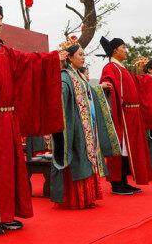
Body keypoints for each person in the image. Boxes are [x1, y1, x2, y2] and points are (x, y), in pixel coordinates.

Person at [0, 0, 64, 234]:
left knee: (10, 168)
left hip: (8, 119)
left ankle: (6, 214)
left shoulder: (5, 51)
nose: (0, 23)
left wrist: (53, 57)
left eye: (1, 18)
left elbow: (30, 61)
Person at [50, 37, 117, 209]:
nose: (83, 58)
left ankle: (87, 197)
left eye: (84, 55)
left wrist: (98, 88)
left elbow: (87, 94)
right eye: (80, 54)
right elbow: (60, 96)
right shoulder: (65, 77)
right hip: (75, 126)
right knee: (77, 157)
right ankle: (75, 199)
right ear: (69, 57)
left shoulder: (79, 75)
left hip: (86, 125)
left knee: (85, 158)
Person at [99, 36, 152, 194]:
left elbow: (136, 84)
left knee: (127, 150)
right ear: (115, 50)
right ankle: (117, 183)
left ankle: (124, 181)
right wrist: (106, 87)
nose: (126, 50)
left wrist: (145, 77)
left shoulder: (122, 68)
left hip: (131, 115)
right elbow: (106, 82)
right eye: (123, 47)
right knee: (119, 148)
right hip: (121, 114)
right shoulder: (110, 67)